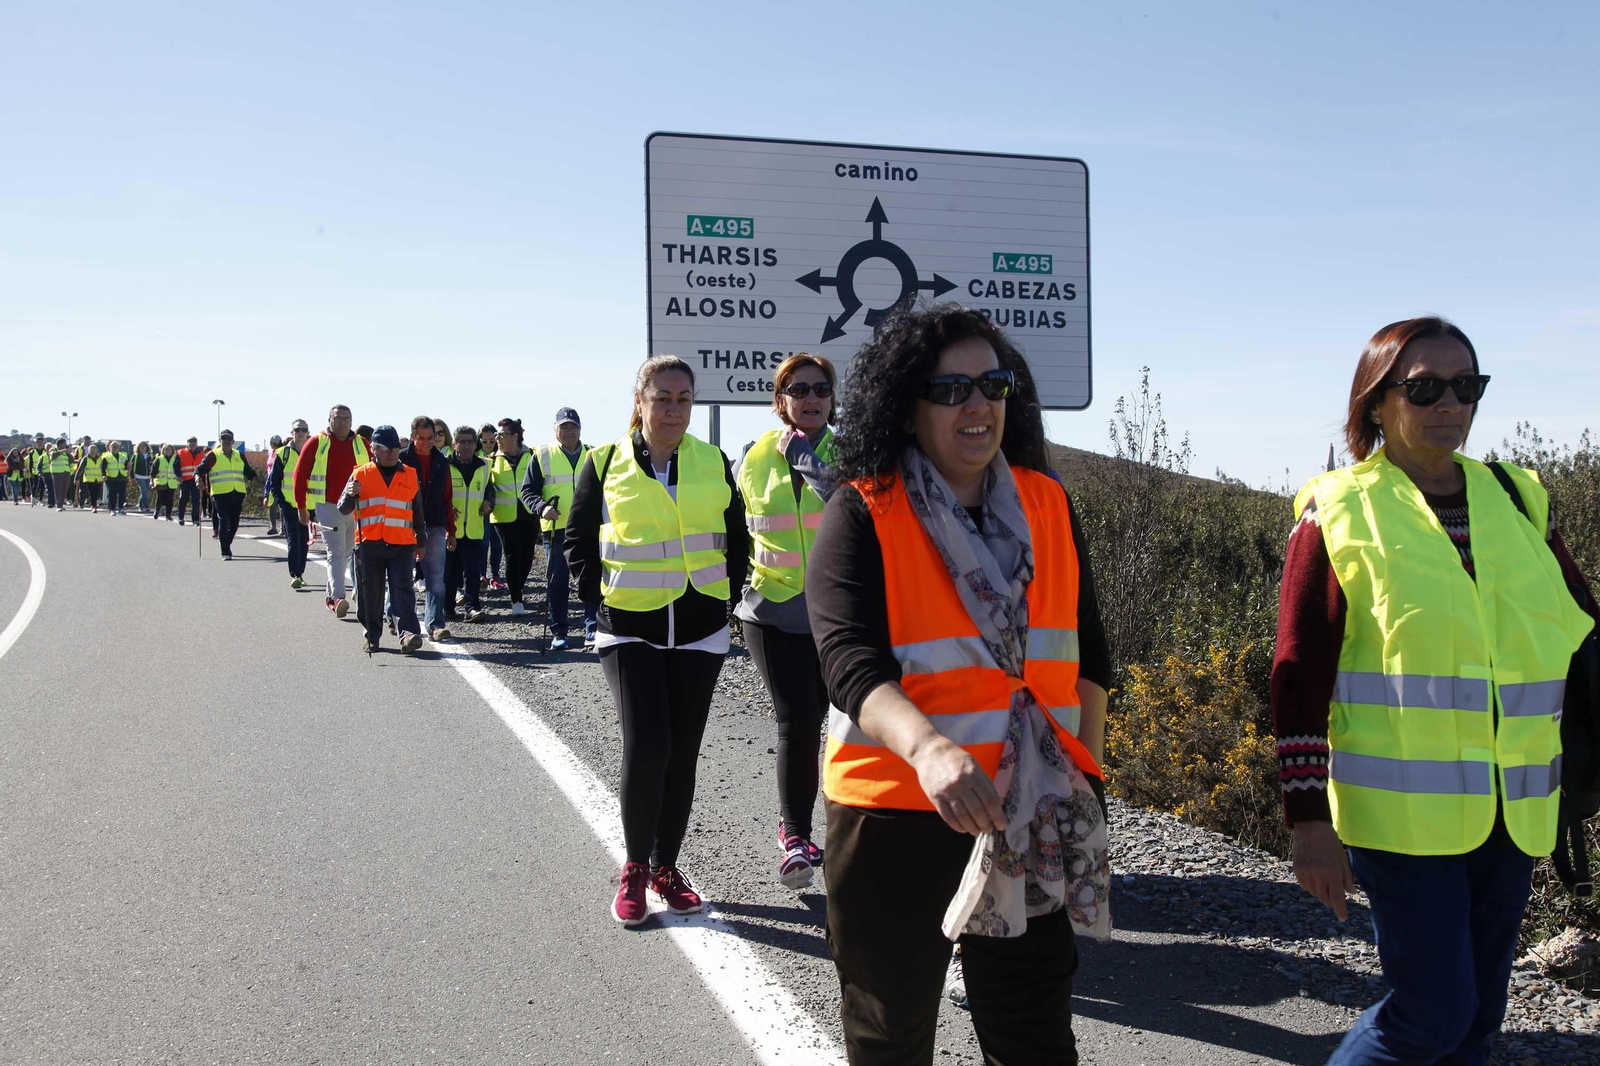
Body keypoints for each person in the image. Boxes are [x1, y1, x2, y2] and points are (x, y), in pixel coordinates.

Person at [1272, 317, 1596, 1066]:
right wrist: (1307, 820)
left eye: (1466, 386)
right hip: (1401, 817)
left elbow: (1582, 626)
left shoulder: (1517, 499)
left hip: (1514, 806)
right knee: (1430, 1014)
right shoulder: (1339, 510)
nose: (1449, 404)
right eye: (1424, 389)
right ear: (1377, 402)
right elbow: (1299, 672)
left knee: (1477, 1019)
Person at [807, 304, 1112, 1064]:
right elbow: (848, 660)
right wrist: (930, 749)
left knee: (1035, 1038)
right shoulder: (863, 509)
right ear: (906, 406)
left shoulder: (1048, 502)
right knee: (890, 1033)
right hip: (896, 811)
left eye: (992, 385)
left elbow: (1092, 661)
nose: (977, 405)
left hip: (1029, 808)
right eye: (950, 391)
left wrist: (1089, 776)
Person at [566, 354, 749, 926]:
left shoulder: (713, 460)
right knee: (648, 745)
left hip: (701, 627)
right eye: (663, 398)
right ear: (640, 402)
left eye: (683, 399)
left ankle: (667, 867)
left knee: (683, 753)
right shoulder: (604, 461)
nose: (674, 409)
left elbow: (737, 535)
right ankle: (635, 868)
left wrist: (727, 596)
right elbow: (578, 535)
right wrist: (594, 597)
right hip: (629, 627)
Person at [735, 354, 841, 889]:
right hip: (771, 610)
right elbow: (735, 530)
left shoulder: (853, 454)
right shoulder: (752, 456)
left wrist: (806, 459)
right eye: (798, 389)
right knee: (798, 721)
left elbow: (854, 506)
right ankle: (796, 835)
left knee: (841, 724)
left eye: (820, 389)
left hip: (838, 614)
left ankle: (848, 835)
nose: (810, 398)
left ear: (832, 398)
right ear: (781, 400)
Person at [338, 425, 425, 654]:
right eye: (386, 448)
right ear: (374, 449)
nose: (392, 452)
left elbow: (418, 511)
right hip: (369, 544)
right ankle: (372, 636)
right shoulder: (360, 474)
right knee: (369, 594)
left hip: (401, 544)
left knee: (403, 590)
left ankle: (408, 635)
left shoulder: (410, 474)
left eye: (395, 448)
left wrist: (421, 541)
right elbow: (343, 508)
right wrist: (350, 494)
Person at [520, 407, 597, 650]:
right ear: (555, 430)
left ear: (580, 429)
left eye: (573, 426)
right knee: (557, 581)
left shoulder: (594, 455)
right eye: (564, 427)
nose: (569, 431)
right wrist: (542, 507)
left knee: (590, 579)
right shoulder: (542, 455)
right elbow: (527, 491)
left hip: (588, 528)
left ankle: (592, 628)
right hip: (555, 529)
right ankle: (559, 632)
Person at [295, 405, 371, 617]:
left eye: (346, 418)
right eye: (337, 418)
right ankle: (338, 598)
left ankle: (331, 595)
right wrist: (301, 507)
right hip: (327, 505)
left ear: (352, 421)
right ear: (329, 420)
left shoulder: (361, 444)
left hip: (356, 507)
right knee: (336, 552)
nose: (342, 422)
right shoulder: (317, 443)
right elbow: (300, 475)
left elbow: (373, 471)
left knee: (347, 552)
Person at [399, 415, 455, 642]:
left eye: (430, 437)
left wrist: (451, 530)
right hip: (404, 526)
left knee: (435, 579)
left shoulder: (441, 461)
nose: (426, 442)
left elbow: (447, 497)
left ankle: (435, 625)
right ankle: (397, 618)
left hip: (434, 525)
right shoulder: (400, 460)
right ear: (413, 437)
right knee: (402, 578)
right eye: (421, 438)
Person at [489, 418, 540, 617]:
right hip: (504, 517)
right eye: (497, 434)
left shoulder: (533, 455)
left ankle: (518, 586)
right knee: (511, 555)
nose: (497, 438)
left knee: (527, 556)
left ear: (515, 436)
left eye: (502, 434)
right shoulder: (492, 460)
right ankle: (516, 599)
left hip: (529, 514)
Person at [447, 425, 494, 624]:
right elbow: (437, 494)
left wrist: (489, 502)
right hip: (451, 529)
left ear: (475, 444)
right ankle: (448, 608)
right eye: (462, 442)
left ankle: (472, 608)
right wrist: (447, 508)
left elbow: (490, 490)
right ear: (454, 444)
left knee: (473, 572)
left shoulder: (485, 466)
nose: (466, 446)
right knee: (450, 572)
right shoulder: (444, 465)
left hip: (474, 528)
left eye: (470, 442)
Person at [194, 430, 256, 560]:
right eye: (223, 439)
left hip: (237, 493)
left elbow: (248, 471)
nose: (226, 441)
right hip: (220, 494)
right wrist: (198, 479)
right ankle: (225, 551)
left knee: (234, 523)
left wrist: (261, 483)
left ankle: (226, 542)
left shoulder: (239, 455)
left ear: (233, 441)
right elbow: (199, 470)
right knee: (224, 520)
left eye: (228, 439)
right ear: (220, 441)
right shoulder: (213, 455)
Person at [271, 421, 312, 589]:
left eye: (304, 430)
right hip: (289, 505)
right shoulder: (283, 453)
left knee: (305, 541)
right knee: (293, 540)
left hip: (309, 506)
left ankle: (300, 571)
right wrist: (282, 503)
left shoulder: (314, 452)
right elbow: (274, 481)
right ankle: (295, 574)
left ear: (308, 432)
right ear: (292, 432)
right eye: (297, 429)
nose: (300, 432)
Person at [479, 422, 505, 590]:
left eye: (491, 441)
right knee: (482, 543)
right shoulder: (475, 456)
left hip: (499, 505)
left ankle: (495, 575)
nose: (488, 444)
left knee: (496, 543)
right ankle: (482, 575)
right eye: (484, 441)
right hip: (481, 506)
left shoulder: (501, 456)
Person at [177, 436, 206, 526]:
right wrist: (178, 476)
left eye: (194, 442)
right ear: (187, 443)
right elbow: (175, 466)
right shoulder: (180, 453)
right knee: (183, 499)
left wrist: (203, 480)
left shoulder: (201, 454)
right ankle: (181, 517)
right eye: (191, 442)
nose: (193, 444)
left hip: (196, 481)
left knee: (196, 500)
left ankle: (195, 520)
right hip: (185, 480)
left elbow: (204, 468)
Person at [152, 444, 180, 521]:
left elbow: (178, 470)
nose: (168, 451)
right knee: (160, 498)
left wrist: (179, 478)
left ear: (172, 451)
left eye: (169, 449)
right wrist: (152, 481)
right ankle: (157, 510)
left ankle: (168, 515)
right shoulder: (159, 459)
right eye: (166, 449)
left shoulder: (175, 459)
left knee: (169, 499)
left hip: (171, 482)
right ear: (163, 450)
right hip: (161, 482)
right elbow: (153, 471)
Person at [263, 435, 283, 536]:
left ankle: (283, 527)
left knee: (281, 506)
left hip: (279, 481)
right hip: (271, 481)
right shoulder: (271, 453)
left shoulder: (281, 452)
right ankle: (273, 527)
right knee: (271, 505)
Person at [102, 440, 129, 515]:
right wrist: (104, 475)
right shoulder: (107, 457)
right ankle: (112, 509)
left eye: (116, 447)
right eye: (113, 447)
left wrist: (128, 468)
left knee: (122, 494)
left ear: (119, 448)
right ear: (110, 448)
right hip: (111, 477)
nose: (115, 448)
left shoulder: (123, 456)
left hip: (122, 477)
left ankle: (121, 508)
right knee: (112, 494)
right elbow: (103, 467)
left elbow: (127, 465)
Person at [76, 443, 104, 512]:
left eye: (93, 451)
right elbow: (80, 469)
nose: (92, 452)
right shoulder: (85, 459)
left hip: (98, 478)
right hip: (89, 479)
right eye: (91, 451)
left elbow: (103, 468)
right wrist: (76, 478)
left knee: (96, 493)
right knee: (92, 492)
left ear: (96, 451)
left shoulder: (100, 459)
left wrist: (105, 475)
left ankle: (93, 504)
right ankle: (93, 506)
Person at [131, 441, 153, 512]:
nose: (143, 447)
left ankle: (140, 504)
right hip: (139, 476)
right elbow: (131, 467)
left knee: (146, 492)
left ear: (147, 447)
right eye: (141, 446)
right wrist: (132, 477)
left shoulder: (150, 456)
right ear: (138, 447)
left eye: (144, 446)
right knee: (144, 491)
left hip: (148, 477)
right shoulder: (135, 456)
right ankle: (146, 506)